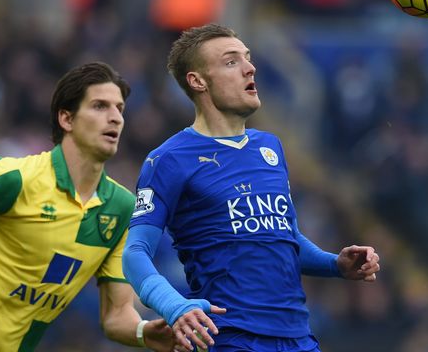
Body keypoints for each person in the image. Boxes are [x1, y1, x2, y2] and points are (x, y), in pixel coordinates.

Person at [123, 24, 381, 352]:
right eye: (231, 62)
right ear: (198, 81)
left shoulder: (269, 147)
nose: (250, 67)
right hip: (231, 339)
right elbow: (134, 254)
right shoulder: (169, 159)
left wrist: (334, 265)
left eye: (247, 58)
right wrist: (175, 306)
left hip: (298, 338)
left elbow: (281, 236)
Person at [0, 62, 175, 352]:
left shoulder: (122, 209)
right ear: (66, 119)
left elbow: (116, 316)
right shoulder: (12, 179)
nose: (115, 118)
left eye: (120, 109)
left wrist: (143, 332)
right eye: (100, 106)